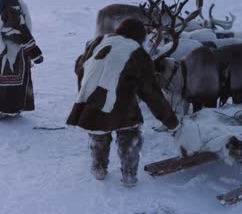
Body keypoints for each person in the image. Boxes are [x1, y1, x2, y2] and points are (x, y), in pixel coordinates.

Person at [67, 18, 179, 187]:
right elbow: (151, 94)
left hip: (93, 100)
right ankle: (129, 175)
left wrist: (86, 92)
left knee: (98, 132)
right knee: (129, 136)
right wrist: (170, 120)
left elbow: (80, 66)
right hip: (123, 105)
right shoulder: (139, 54)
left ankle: (98, 168)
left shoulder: (99, 41)